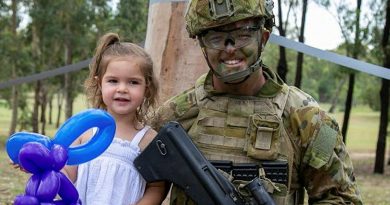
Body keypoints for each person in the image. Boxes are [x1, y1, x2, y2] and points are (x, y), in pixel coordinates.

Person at [151, 0, 363, 204]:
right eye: (216, 38)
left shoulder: (311, 119)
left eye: (242, 35)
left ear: (263, 37)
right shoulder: (173, 116)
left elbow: (341, 198)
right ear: (203, 45)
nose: (230, 48)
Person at [62, 32, 166, 205]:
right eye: (113, 81)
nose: (122, 89)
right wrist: (41, 166)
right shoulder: (85, 131)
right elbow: (67, 171)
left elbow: (157, 188)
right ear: (99, 83)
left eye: (133, 82)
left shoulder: (149, 140)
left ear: (147, 88)